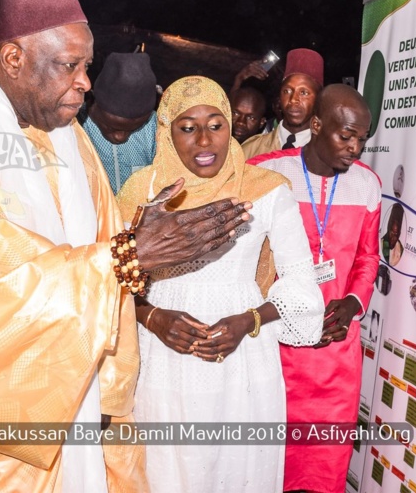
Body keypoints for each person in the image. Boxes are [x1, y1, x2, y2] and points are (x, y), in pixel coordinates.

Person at [0, 0, 250, 492]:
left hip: (89, 403)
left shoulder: (71, 139)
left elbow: (105, 246)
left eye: (86, 66)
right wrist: (125, 256)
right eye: (69, 66)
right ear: (12, 59)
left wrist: (140, 242)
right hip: (0, 435)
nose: (85, 82)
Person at [117, 76, 324, 492]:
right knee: (168, 469)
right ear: (165, 131)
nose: (205, 140)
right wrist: (153, 317)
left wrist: (248, 321)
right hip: (162, 354)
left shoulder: (267, 191)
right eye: (187, 128)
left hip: (244, 358)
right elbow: (113, 280)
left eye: (216, 124)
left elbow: (302, 284)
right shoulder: (141, 191)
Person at [250, 84, 381, 493]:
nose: (355, 148)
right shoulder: (268, 174)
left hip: (337, 352)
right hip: (276, 346)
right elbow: (247, 259)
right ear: (318, 126)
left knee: (326, 463)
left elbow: (367, 257)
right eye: (346, 136)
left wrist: (354, 303)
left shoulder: (368, 185)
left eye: (362, 138)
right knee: (269, 459)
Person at [81, 51, 158, 193]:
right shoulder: (74, 126)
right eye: (111, 127)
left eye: (134, 129)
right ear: (92, 101)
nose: (120, 137)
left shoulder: (156, 128)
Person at [241, 48, 323, 159]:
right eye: (287, 91)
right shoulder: (251, 150)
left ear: (319, 99)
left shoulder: (328, 157)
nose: (293, 99)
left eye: (304, 93)